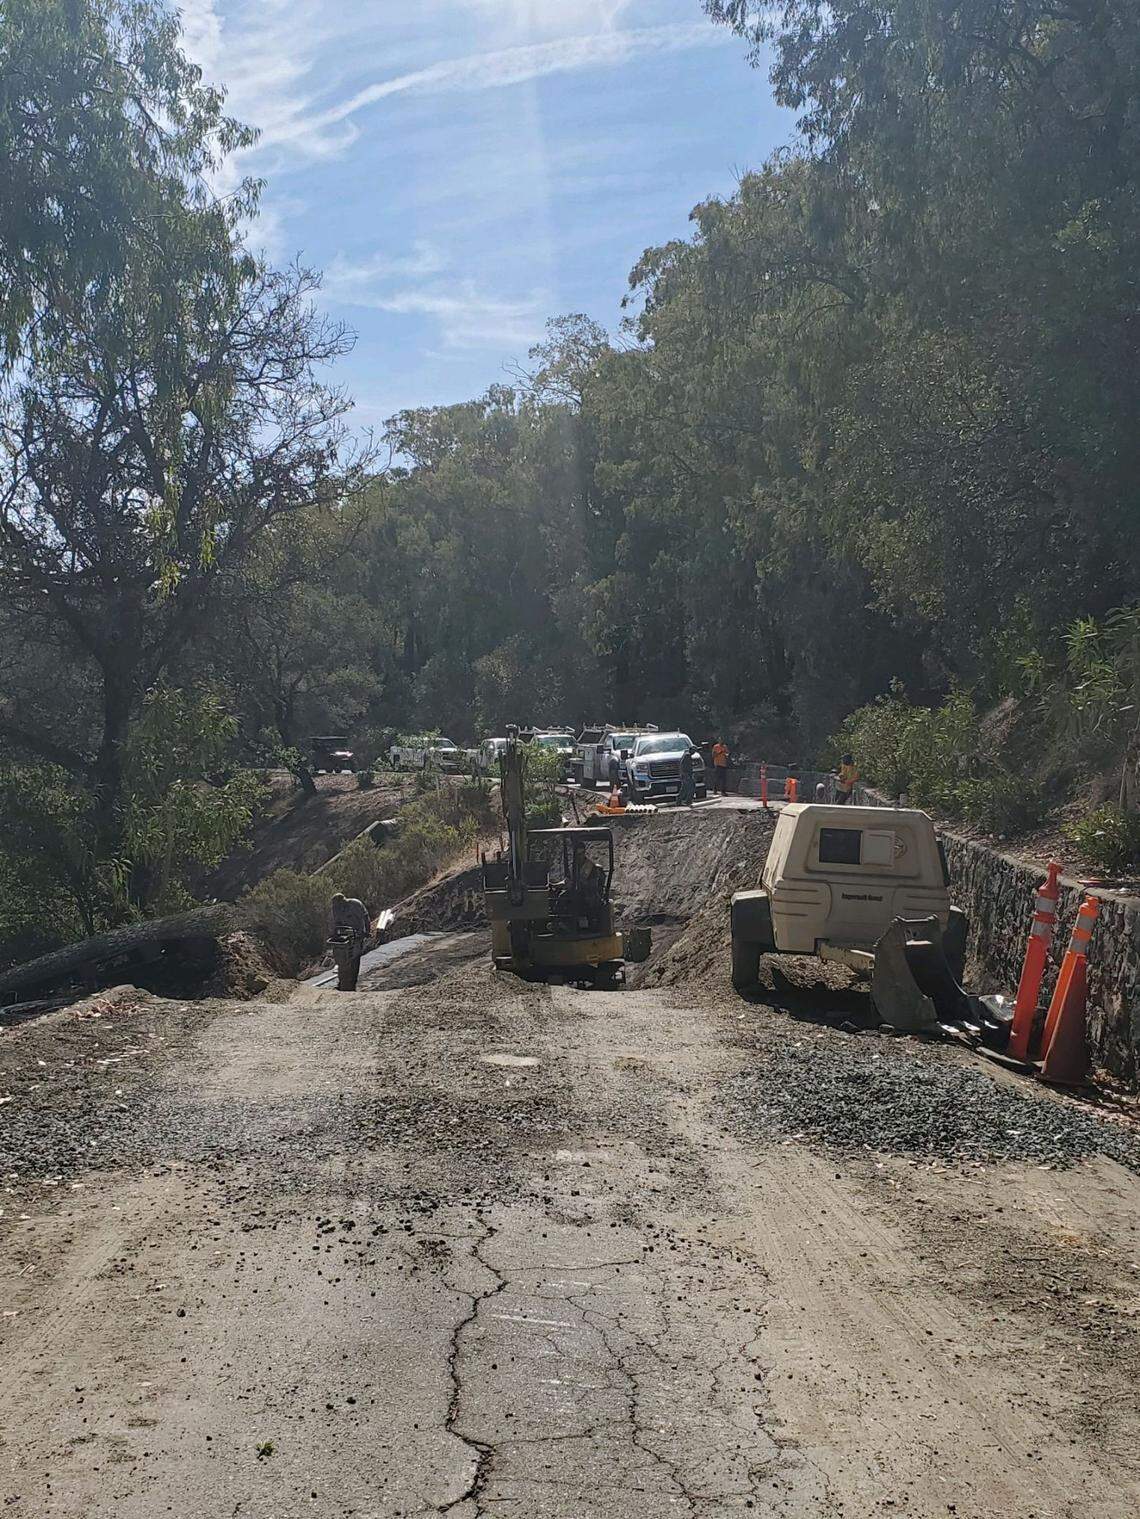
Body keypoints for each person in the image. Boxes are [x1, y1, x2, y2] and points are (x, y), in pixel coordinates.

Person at [328, 891, 372, 991]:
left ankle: (352, 983)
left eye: (339, 905)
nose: (338, 907)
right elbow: (334, 922)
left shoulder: (355, 904)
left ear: (344, 901)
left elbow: (365, 917)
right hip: (343, 935)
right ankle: (342, 982)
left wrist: (367, 931)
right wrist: (333, 934)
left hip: (357, 935)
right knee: (341, 960)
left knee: (355, 959)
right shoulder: (335, 909)